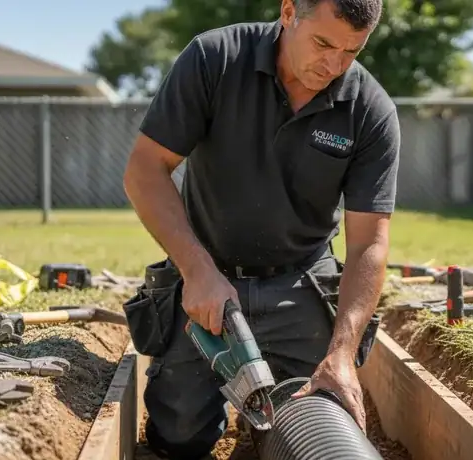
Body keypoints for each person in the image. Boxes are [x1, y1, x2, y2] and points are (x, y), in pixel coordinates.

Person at [122, 0, 399, 458]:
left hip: (300, 282)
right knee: (179, 436)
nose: (333, 64)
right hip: (208, 283)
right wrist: (197, 271)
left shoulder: (369, 109)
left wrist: (343, 355)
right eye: (324, 43)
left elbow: (370, 241)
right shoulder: (216, 58)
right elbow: (145, 170)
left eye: (352, 51)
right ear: (289, 12)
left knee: (321, 416)